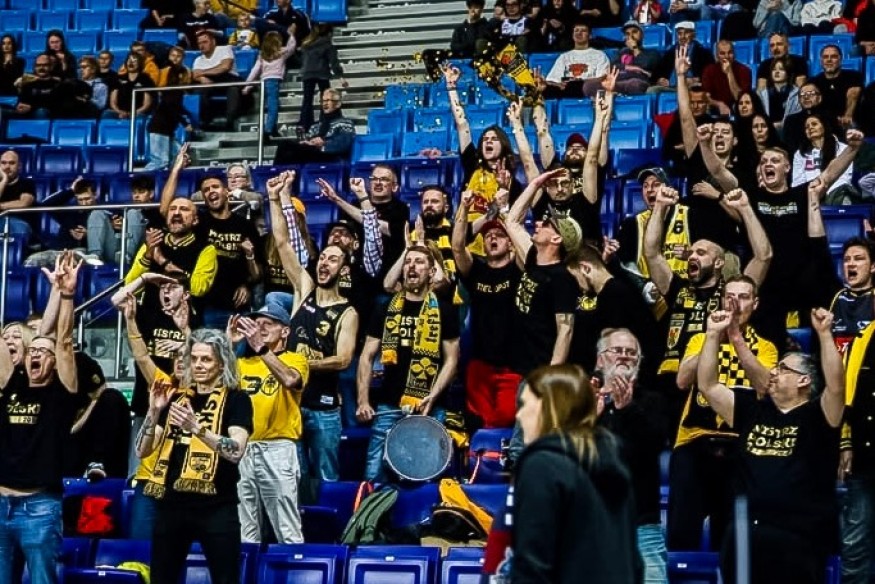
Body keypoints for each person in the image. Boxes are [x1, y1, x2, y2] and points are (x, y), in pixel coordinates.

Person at [697, 308, 843, 584]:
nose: (773, 372)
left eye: (783, 368)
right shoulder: (753, 409)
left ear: (804, 380)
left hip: (798, 538)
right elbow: (708, 386)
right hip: (744, 536)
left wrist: (825, 335)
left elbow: (836, 387)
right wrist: (713, 334)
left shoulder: (819, 415)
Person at [137, 329, 253, 584]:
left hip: (216, 506)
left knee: (226, 579)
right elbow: (142, 451)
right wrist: (154, 412)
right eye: (195, 359)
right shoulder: (176, 399)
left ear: (222, 363)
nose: (198, 365)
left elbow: (236, 451)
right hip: (172, 505)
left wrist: (197, 428)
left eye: (206, 359)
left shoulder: (237, 399)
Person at [670, 275, 778, 551]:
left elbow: (765, 388)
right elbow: (682, 381)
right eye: (730, 297)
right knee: (681, 532)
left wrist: (736, 339)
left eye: (743, 297)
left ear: (755, 304)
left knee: (730, 538)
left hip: (740, 444)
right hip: (694, 439)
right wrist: (713, 336)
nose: (735, 304)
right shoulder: (700, 339)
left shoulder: (766, 347)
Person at [511, 364, 639, 583]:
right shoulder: (615, 460)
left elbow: (532, 566)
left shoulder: (542, 465)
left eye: (525, 404)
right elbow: (634, 563)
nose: (519, 415)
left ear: (549, 408)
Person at [268, 171, 358, 482]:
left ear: (343, 270)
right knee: (291, 479)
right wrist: (274, 199)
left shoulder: (348, 312)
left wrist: (301, 365)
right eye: (323, 258)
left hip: (324, 408)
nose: (324, 263)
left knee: (325, 479)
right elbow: (282, 242)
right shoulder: (304, 289)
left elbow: (343, 360)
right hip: (292, 403)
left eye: (332, 260)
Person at [0, 251, 80, 584]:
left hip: (40, 506)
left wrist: (66, 295)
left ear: (54, 362)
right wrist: (54, 294)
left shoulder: (61, 392)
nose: (36, 354)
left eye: (44, 353)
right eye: (32, 350)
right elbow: (36, 338)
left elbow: (62, 340)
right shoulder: (11, 383)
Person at [356, 245, 460, 482]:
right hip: (389, 404)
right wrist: (362, 400)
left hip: (430, 405)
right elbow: (366, 356)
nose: (412, 266)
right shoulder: (385, 308)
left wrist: (432, 396)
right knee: (374, 475)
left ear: (431, 272)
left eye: (419, 262)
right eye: (408, 261)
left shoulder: (445, 311)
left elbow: (452, 360)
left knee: (428, 474)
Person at [229, 304, 308, 544]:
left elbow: (290, 380)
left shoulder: (296, 359)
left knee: (287, 528)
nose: (260, 328)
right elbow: (214, 385)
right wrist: (229, 344)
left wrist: (261, 348)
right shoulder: (242, 363)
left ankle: (294, 568)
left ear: (285, 331)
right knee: (244, 530)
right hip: (243, 448)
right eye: (256, 323)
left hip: (278, 448)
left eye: (268, 324)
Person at [592, 329, 666, 583]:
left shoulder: (653, 402)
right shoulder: (582, 401)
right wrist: (587, 421)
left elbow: (651, 448)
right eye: (617, 351)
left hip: (642, 526)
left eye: (631, 353)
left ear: (639, 362)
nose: (624, 356)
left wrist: (626, 410)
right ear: (600, 359)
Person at [159, 148, 263, 328]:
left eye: (215, 187)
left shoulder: (244, 225)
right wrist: (176, 169)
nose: (210, 191)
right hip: (206, 305)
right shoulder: (199, 222)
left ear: (226, 191)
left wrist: (246, 284)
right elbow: (165, 210)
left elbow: (258, 272)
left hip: (238, 305)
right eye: (206, 190)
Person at [273, 88, 355, 163]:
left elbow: (344, 144)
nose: (324, 104)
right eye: (323, 101)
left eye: (328, 100)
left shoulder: (346, 123)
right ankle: (276, 173)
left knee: (293, 150)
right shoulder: (316, 125)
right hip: (312, 153)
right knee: (285, 145)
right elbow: (308, 139)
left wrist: (323, 143)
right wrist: (306, 142)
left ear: (338, 104)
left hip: (331, 157)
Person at [242, 31, 296, 139]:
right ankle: (268, 131)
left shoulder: (262, 55)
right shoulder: (282, 53)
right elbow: (292, 47)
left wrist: (247, 85)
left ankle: (273, 129)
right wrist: (291, 35)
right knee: (273, 107)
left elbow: (255, 71)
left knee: (270, 107)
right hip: (273, 83)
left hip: (263, 83)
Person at [297, 24, 347, 132]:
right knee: (326, 98)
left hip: (307, 73)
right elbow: (333, 62)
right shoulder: (327, 44)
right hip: (322, 73)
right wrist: (340, 77)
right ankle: (325, 121)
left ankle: (304, 124)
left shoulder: (307, 43)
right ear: (329, 33)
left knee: (307, 100)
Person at [791, 113, 855, 198]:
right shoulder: (800, 154)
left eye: (814, 124)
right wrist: (812, 193)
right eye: (806, 127)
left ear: (824, 126)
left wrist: (824, 192)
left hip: (836, 194)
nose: (810, 128)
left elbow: (845, 178)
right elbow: (797, 181)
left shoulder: (843, 148)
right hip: (810, 195)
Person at [543, 21, 610, 98]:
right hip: (567, 90)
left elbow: (602, 78)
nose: (579, 33)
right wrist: (558, 85)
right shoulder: (564, 57)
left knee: (575, 85)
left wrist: (581, 81)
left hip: (586, 89)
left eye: (583, 31)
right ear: (572, 35)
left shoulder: (600, 55)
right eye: (576, 31)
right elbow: (552, 80)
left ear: (590, 36)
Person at [191, 31, 242, 131]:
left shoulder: (224, 49)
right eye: (199, 43)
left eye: (205, 42)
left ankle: (230, 122)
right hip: (211, 84)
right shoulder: (198, 59)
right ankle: (205, 122)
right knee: (200, 90)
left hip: (229, 80)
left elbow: (225, 67)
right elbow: (195, 75)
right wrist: (201, 78)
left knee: (234, 88)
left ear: (213, 42)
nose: (202, 46)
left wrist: (203, 72)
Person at [810, 44, 863, 130]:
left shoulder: (853, 76)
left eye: (833, 56)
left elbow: (853, 95)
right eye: (825, 57)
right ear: (821, 60)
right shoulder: (813, 82)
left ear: (840, 59)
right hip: (823, 123)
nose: (829, 60)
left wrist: (847, 115)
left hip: (847, 123)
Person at [701, 40, 752, 115]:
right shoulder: (709, 70)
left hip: (739, 110)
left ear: (734, 54)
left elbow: (740, 98)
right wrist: (719, 104)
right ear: (717, 56)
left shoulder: (745, 71)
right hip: (715, 110)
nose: (727, 56)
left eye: (730, 53)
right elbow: (705, 97)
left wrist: (729, 73)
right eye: (722, 53)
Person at [104, 52, 155, 120]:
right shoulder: (118, 78)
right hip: (119, 112)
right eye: (129, 60)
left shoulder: (146, 79)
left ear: (140, 63)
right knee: (107, 114)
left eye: (134, 61)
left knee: (140, 118)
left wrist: (134, 113)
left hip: (139, 112)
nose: (131, 63)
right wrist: (120, 112)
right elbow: (113, 101)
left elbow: (147, 103)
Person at [0, 150, 36, 244]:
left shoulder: (27, 183)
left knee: (17, 227)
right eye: (3, 163)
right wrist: (4, 181)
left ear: (19, 166)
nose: (7, 167)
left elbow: (23, 203)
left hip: (18, 222)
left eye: (12, 163)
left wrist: (1, 206)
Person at [14, 54, 60, 120]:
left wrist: (31, 107)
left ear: (51, 67)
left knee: (41, 112)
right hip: (26, 114)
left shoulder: (57, 83)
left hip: (45, 114)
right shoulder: (28, 83)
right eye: (38, 65)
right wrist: (19, 107)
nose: (41, 68)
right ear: (34, 67)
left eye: (45, 65)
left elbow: (55, 104)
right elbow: (21, 101)